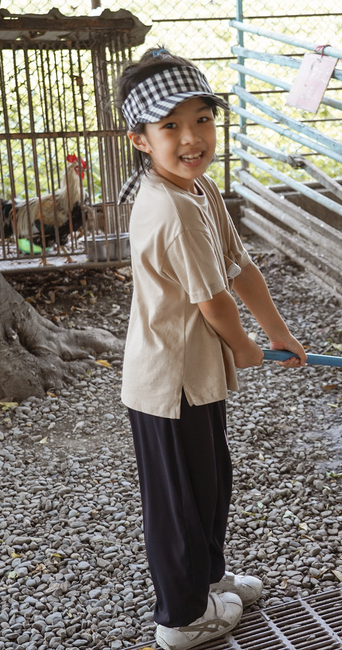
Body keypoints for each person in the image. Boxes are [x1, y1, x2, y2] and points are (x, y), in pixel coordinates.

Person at [115, 47, 306, 650]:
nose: (191, 137)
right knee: (178, 502)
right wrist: (248, 346)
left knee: (210, 480)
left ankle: (209, 577)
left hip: (196, 375)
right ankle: (181, 619)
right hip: (168, 384)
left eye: (201, 119)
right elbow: (212, 301)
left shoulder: (199, 191)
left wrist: (276, 330)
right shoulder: (170, 208)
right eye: (169, 126)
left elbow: (239, 266)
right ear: (140, 140)